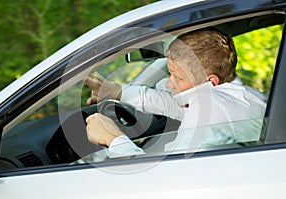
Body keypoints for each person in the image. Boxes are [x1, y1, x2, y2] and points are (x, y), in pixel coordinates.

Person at [84, 27, 267, 158]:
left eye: (178, 78)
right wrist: (116, 91)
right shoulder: (247, 95)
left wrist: (113, 139)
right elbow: (172, 105)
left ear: (210, 82)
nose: (168, 84)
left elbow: (164, 179)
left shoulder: (208, 108)